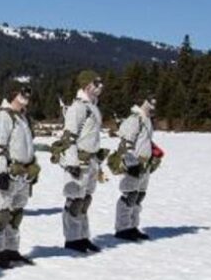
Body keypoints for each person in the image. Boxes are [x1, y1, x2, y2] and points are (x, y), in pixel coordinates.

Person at [0, 83, 39, 268]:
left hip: (23, 174)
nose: (26, 96)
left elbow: (28, 145)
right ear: (13, 94)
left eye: (28, 93)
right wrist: (0, 173)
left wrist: (33, 166)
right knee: (1, 215)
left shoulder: (22, 117)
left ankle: (11, 250)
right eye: (23, 93)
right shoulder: (4, 117)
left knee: (16, 215)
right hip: (8, 172)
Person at [58, 70, 106, 253]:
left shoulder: (93, 106)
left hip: (91, 161)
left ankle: (83, 237)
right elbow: (69, 137)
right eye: (97, 83)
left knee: (85, 201)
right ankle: (72, 240)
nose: (100, 86)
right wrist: (72, 163)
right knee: (74, 201)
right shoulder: (78, 107)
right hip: (79, 160)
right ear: (87, 85)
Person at [113, 94, 160, 241]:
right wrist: (130, 163)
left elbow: (144, 141)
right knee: (129, 195)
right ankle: (122, 228)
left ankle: (132, 226)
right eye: (150, 101)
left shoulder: (147, 120)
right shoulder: (134, 119)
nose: (153, 104)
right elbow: (125, 143)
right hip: (134, 163)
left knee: (139, 196)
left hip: (145, 164)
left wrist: (154, 154)